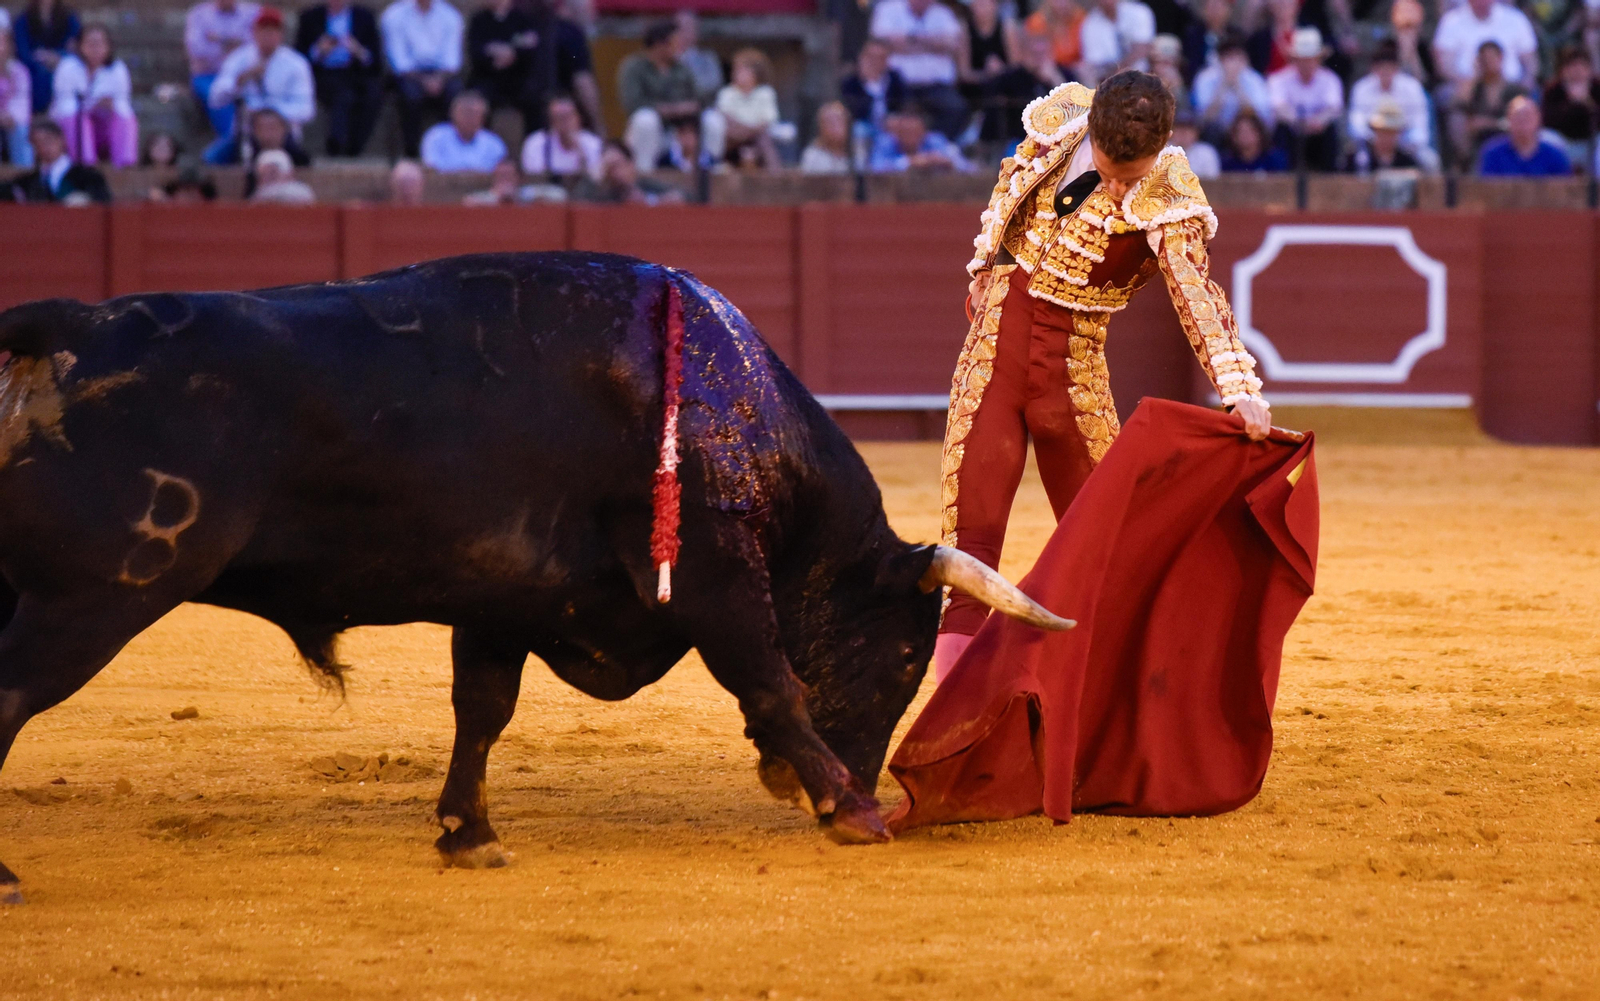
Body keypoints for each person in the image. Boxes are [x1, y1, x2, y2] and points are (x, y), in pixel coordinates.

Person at [938, 72, 1268, 679]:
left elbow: (1196, 293)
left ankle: (1125, 705)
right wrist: (987, 262)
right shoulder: (1062, 122)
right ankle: (951, 731)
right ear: (1091, 130)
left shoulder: (1170, 191)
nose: (1118, 185)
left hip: (1074, 372)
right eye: (1111, 167)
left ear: (1163, 146)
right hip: (994, 355)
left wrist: (1239, 387)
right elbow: (1008, 185)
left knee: (1116, 551)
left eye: (1131, 174)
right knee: (967, 553)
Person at [206, 7, 315, 163]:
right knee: (210, 159)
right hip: (246, 133)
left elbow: (306, 109)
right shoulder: (239, 59)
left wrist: (272, 115)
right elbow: (215, 98)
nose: (268, 36)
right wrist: (240, 80)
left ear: (281, 34)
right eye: (264, 30)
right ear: (254, 32)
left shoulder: (296, 64)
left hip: (283, 135)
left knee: (300, 163)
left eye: (273, 31)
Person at [868, 0, 969, 139]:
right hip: (898, 85)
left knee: (956, 108)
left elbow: (954, 43)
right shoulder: (888, 9)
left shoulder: (943, 13)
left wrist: (909, 40)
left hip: (936, 86)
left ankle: (938, 148)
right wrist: (932, 43)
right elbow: (883, 42)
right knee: (888, 115)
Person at [618, 20, 708, 172]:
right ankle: (644, 174)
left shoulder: (682, 69)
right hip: (649, 131)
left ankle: (710, 169)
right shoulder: (634, 67)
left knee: (712, 119)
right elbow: (633, 104)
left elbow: (699, 99)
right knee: (645, 119)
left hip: (680, 131)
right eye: (675, 42)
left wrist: (692, 107)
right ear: (660, 44)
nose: (680, 46)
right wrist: (673, 109)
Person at [295, 0, 383, 156]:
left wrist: (359, 51)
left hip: (356, 72)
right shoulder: (310, 17)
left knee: (373, 94)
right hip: (323, 73)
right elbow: (298, 58)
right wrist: (318, 51)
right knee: (343, 94)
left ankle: (355, 147)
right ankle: (335, 144)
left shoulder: (364, 17)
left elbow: (375, 60)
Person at [382, 0, 466, 157]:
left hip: (442, 74)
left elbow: (452, 61)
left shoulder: (450, 16)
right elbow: (399, 61)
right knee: (410, 96)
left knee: (455, 93)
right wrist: (424, 81)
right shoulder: (394, 15)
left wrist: (438, 79)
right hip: (408, 74)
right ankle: (411, 152)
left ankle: (449, 152)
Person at [49, 24, 137, 168]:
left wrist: (109, 106)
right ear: (80, 45)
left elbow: (123, 103)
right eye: (90, 43)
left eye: (100, 43)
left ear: (108, 46)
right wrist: (92, 106)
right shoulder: (67, 66)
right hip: (71, 127)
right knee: (76, 116)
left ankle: (124, 164)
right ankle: (86, 164)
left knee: (125, 118)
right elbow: (65, 104)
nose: (95, 48)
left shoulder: (117, 69)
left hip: (104, 126)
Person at [1265, 26, 1342, 171]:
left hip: (1318, 134)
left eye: (1311, 59)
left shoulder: (1330, 79)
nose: (1307, 63)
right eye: (1302, 59)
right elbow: (1278, 107)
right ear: (1294, 59)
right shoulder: (1279, 80)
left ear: (1319, 59)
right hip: (1292, 133)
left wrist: (1318, 121)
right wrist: (1298, 121)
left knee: (1331, 132)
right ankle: (1283, 177)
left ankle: (1329, 179)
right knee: (1281, 130)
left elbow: (1334, 108)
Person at [185, 0, 260, 138]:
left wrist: (218, 39)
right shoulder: (198, 14)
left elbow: (257, 47)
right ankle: (231, 141)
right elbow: (197, 51)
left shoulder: (253, 12)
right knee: (218, 97)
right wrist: (234, 44)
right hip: (209, 75)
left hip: (246, 75)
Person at [1433, 0, 1538, 97]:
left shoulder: (1516, 19)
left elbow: (1531, 62)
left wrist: (1525, 84)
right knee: (1445, 94)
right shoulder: (1451, 20)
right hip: (1466, 88)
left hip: (1511, 87)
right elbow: (1444, 67)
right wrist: (1466, 85)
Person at [983, 29, 1069, 143]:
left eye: (1043, 54)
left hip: (1057, 140)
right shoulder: (1009, 79)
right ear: (1024, 54)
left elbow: (1075, 109)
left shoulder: (1063, 75)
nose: (1039, 60)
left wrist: (1055, 80)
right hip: (1020, 141)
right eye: (1034, 54)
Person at [1347, 38, 1430, 157]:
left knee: (1428, 159)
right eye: (1381, 68)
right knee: (1359, 157)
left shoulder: (1412, 87)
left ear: (1397, 69)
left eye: (1390, 68)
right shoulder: (1361, 88)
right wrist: (1378, 141)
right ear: (1373, 69)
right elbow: (1356, 125)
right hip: (1371, 146)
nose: (1385, 72)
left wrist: (1396, 143)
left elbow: (1420, 127)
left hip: (1406, 145)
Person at [1451, 40, 1525, 168]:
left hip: (1510, 141)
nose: (1488, 63)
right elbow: (1460, 107)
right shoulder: (1475, 90)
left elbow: (1520, 122)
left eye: (1491, 58)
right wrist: (1473, 76)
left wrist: (1489, 123)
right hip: (1478, 142)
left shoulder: (1515, 90)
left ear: (1501, 58)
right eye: (1483, 59)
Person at [1, 118, 110, 202]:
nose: (44, 147)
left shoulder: (89, 178)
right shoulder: (26, 182)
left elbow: (102, 203)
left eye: (48, 140)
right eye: (38, 142)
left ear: (62, 140)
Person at [466, 0, 538, 125]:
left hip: (518, 80)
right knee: (477, 101)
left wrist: (511, 54)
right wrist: (497, 56)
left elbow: (531, 47)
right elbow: (476, 52)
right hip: (487, 79)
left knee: (535, 99)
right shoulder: (479, 20)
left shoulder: (523, 19)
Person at [1191, 35, 1271, 138]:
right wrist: (1223, 85)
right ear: (1220, 59)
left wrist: (1238, 86)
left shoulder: (1254, 79)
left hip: (1245, 132)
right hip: (1217, 132)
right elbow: (1206, 119)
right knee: (1212, 130)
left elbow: (1258, 118)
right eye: (1228, 57)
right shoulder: (1205, 78)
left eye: (1237, 57)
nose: (1233, 63)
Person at [714, 47, 779, 169]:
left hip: (756, 141)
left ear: (755, 73)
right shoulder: (727, 93)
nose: (736, 74)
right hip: (732, 141)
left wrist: (748, 133)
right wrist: (747, 132)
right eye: (735, 70)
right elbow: (725, 120)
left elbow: (766, 122)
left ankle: (776, 178)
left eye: (741, 70)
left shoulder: (765, 93)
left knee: (763, 140)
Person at [12, 0, 80, 115]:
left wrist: (57, 56)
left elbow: (74, 46)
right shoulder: (24, 19)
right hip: (33, 68)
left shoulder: (69, 18)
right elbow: (22, 50)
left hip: (61, 66)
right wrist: (40, 58)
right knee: (41, 75)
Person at [1478, 94, 1573, 175]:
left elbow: (1566, 189)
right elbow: (1484, 190)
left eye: (1527, 116)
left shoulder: (1555, 155)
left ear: (1538, 119)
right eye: (1517, 117)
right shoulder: (1493, 153)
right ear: (1508, 120)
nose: (1522, 121)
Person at [520, 92, 601, 183]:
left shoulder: (592, 143)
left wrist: (580, 152)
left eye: (568, 117)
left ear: (578, 117)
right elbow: (534, 180)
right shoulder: (535, 143)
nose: (564, 124)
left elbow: (597, 179)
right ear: (551, 121)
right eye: (559, 118)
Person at [573, 138, 685, 204]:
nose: (615, 172)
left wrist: (652, 201)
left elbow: (685, 195)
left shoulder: (644, 184)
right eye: (609, 167)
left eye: (618, 165)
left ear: (630, 165)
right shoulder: (603, 193)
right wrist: (596, 176)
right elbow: (578, 204)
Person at [420, 89, 507, 172]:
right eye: (465, 112)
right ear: (452, 114)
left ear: (483, 118)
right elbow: (432, 170)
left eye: (475, 114)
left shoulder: (494, 144)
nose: (469, 118)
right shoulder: (435, 137)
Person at [1542, 46, 1600, 167]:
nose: (1577, 71)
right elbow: (1548, 121)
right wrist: (1571, 104)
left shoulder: (1597, 87)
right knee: (1545, 138)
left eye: (1581, 66)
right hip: (1564, 144)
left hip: (1593, 144)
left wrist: (1587, 103)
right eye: (1572, 66)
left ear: (1589, 69)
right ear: (1562, 70)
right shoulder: (1553, 90)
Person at [869, 105, 971, 172]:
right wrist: (909, 162)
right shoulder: (886, 142)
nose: (911, 136)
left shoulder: (935, 140)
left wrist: (948, 162)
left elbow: (968, 167)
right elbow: (875, 168)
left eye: (915, 132)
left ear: (923, 132)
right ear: (898, 133)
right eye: (906, 132)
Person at [1078, 0, 1157, 84]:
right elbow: (1095, 62)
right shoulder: (1090, 24)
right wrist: (1114, 74)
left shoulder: (1139, 11)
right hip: (1109, 78)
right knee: (1084, 71)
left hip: (1145, 72)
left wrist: (1121, 69)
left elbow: (1143, 48)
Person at [207, 105, 311, 166]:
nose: (268, 135)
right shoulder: (242, 156)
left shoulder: (299, 158)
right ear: (253, 131)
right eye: (262, 129)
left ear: (284, 130)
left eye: (273, 128)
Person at [840, 38, 907, 133]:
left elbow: (903, 104)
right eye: (871, 57)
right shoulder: (851, 82)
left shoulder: (894, 78)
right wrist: (868, 83)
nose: (875, 62)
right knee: (859, 129)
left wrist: (895, 117)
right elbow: (854, 111)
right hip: (864, 125)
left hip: (891, 125)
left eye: (881, 58)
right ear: (861, 57)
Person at [1344, 99, 1421, 173]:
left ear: (1399, 133)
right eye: (1383, 131)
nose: (1386, 137)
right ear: (1375, 131)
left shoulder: (1407, 161)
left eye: (1391, 132)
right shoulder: (1356, 158)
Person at [1023, 0, 1085, 80]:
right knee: (1049, 71)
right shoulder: (1037, 23)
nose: (1062, 4)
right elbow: (1035, 58)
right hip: (1052, 67)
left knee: (1086, 70)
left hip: (1076, 67)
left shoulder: (1080, 17)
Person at [674, 10, 722, 106]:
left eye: (690, 28)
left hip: (702, 106)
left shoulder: (708, 58)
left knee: (713, 118)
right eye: (681, 28)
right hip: (671, 107)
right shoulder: (666, 58)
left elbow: (714, 84)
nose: (686, 32)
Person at [1, 27, 33, 166]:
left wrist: (10, 116)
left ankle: (23, 172)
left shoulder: (19, 71)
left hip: (12, 120)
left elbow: (22, 101)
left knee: (21, 130)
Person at [1181, 0, 1232, 85]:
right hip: (1198, 82)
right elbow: (1190, 64)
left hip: (1229, 83)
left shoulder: (1235, 36)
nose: (1215, 11)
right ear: (1203, 10)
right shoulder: (1193, 35)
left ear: (1229, 10)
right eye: (1212, 7)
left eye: (1219, 7)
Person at [1220, 108, 1287, 170]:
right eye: (1240, 131)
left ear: (1259, 133)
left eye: (1249, 131)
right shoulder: (1227, 162)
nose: (1244, 136)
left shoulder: (1275, 160)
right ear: (1233, 137)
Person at [799, 99, 853, 173]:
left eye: (839, 121)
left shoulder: (857, 154)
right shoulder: (813, 156)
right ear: (820, 127)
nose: (835, 127)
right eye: (830, 122)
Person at [250, 147, 316, 202]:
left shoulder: (301, 191)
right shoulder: (257, 196)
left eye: (272, 173)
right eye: (263, 174)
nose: (267, 177)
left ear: (289, 174)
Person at [1171, 108, 1220, 176]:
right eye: (1179, 128)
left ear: (1196, 133)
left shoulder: (1206, 152)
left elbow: (1213, 182)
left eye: (1188, 129)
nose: (1183, 133)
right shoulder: (1161, 152)